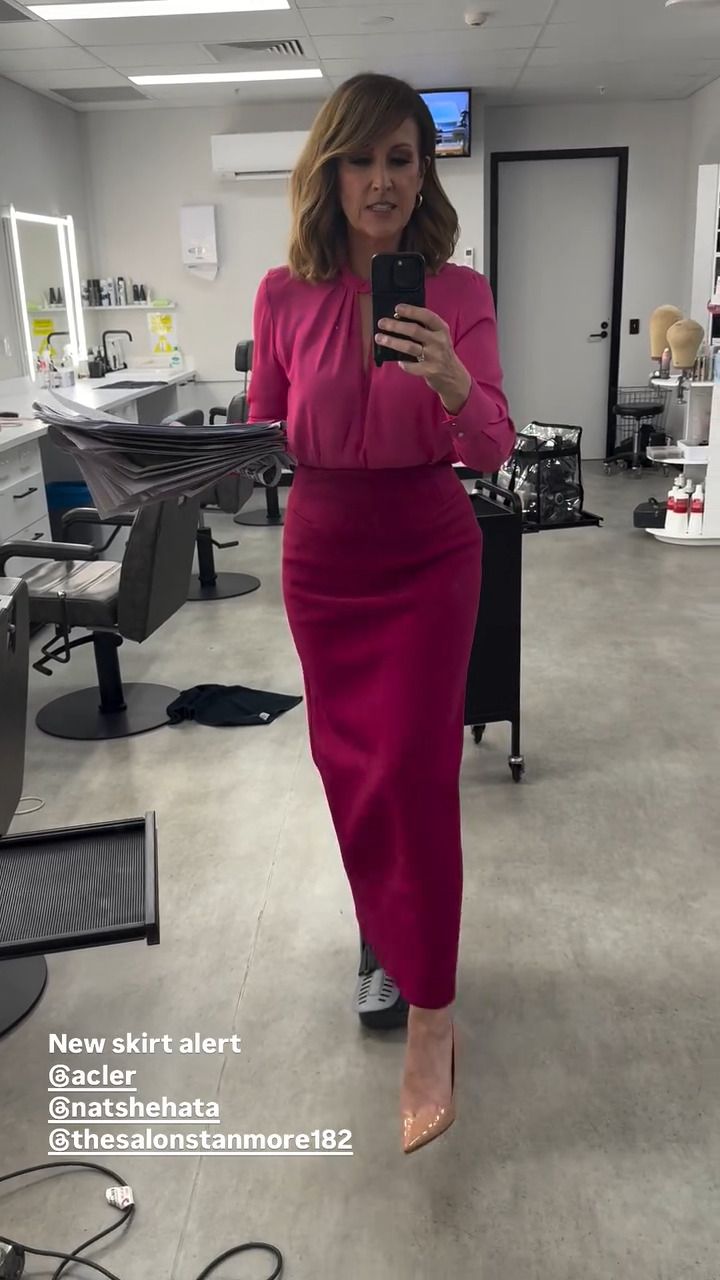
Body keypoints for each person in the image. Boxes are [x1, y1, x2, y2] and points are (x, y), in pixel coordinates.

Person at [248, 73, 515, 1154]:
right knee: (350, 770)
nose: (380, 181)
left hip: (427, 550)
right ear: (330, 172)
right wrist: (186, 463)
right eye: (360, 159)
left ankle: (432, 1012)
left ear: (424, 170)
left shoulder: (459, 293)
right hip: (322, 555)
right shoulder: (282, 294)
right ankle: (385, 940)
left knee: (413, 768)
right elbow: (265, 431)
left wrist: (451, 378)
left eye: (400, 159)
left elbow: (491, 447)